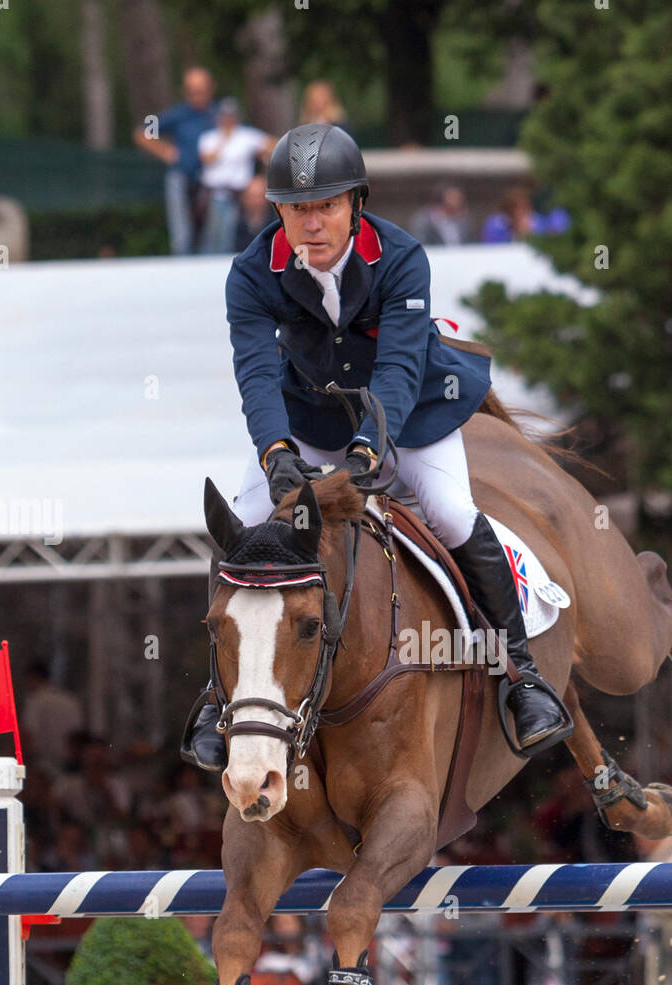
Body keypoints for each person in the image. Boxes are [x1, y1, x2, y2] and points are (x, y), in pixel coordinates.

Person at [182, 123, 570, 771]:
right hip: (308, 414)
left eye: (325, 206)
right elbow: (254, 370)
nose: (311, 223)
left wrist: (367, 453)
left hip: (410, 412)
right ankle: (215, 697)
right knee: (244, 530)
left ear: (354, 204)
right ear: (276, 209)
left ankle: (521, 677)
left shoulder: (399, 256)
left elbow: (395, 370)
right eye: (297, 208)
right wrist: (275, 451)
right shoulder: (251, 273)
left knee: (447, 511)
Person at [133, 67, 217, 255]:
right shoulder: (177, 114)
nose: (197, 96)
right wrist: (166, 152)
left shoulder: (218, 114)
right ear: (185, 92)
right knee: (182, 235)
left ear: (211, 89)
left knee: (212, 235)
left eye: (201, 90)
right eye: (192, 91)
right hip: (181, 177)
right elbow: (143, 132)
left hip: (211, 183)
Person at [197, 98, 274, 255]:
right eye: (225, 115)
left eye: (231, 115)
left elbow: (273, 145)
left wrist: (262, 156)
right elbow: (208, 158)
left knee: (234, 235)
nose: (228, 119)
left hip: (240, 196)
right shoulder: (209, 137)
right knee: (213, 235)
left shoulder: (246, 136)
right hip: (215, 194)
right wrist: (224, 139)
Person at [481, 185, 571, 243]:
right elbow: (491, 247)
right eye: (516, 209)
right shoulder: (497, 225)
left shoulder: (537, 221)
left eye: (525, 208)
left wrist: (529, 232)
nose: (521, 213)